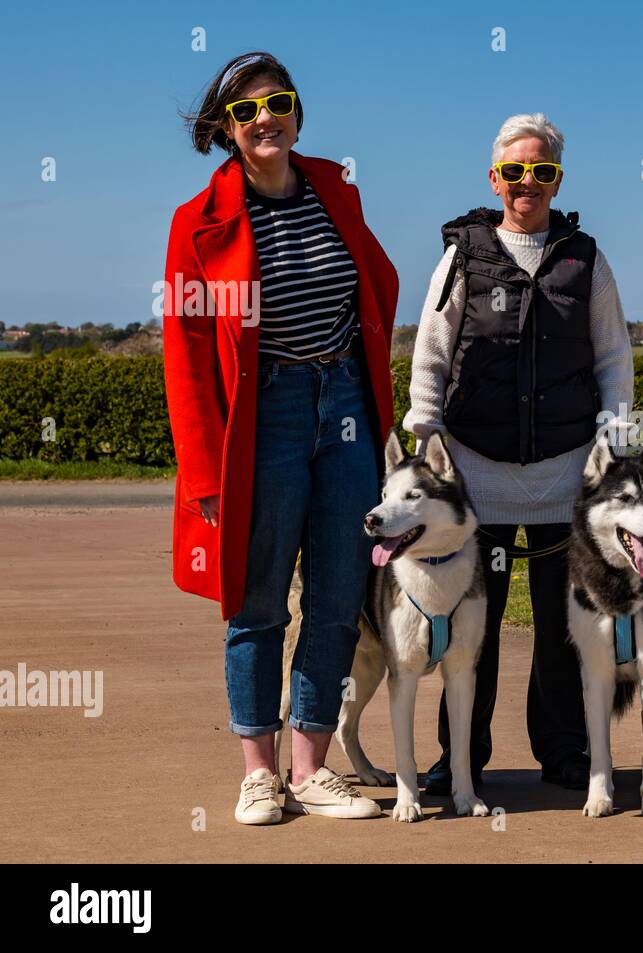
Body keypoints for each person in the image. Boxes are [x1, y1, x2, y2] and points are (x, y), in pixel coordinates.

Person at [163, 51, 399, 823]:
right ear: (225, 129)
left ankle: (312, 767)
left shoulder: (337, 190)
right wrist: (202, 472)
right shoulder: (196, 225)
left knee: (337, 595)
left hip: (346, 408)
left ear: (298, 113)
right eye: (246, 111)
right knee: (257, 597)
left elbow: (376, 283)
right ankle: (258, 771)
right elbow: (188, 353)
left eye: (280, 103)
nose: (266, 119)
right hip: (263, 416)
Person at [405, 113, 634, 794]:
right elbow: (433, 346)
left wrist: (615, 432)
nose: (526, 183)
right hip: (477, 471)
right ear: (494, 178)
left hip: (566, 472)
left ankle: (565, 752)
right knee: (470, 625)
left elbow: (613, 352)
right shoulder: (464, 255)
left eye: (541, 171)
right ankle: (462, 757)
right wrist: (425, 425)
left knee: (567, 626)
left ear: (558, 178)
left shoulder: (585, 257)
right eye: (514, 172)